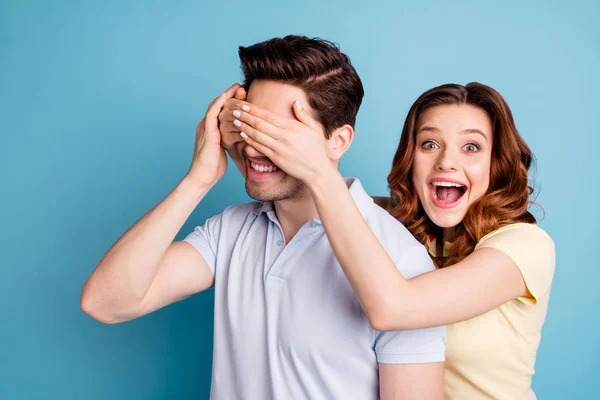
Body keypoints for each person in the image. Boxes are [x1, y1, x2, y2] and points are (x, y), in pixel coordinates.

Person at [80, 35, 446, 399]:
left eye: (278, 132)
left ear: (338, 140)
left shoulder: (399, 261)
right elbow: (106, 302)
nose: (254, 145)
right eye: (248, 125)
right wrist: (198, 180)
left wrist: (318, 174)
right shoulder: (230, 231)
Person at [226, 82, 555, 399]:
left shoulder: (523, 247)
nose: (447, 162)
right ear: (410, 158)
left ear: (496, 163)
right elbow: (308, 203)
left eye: (471, 147)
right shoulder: (398, 224)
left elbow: (394, 308)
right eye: (429, 144)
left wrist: (317, 168)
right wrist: (247, 145)